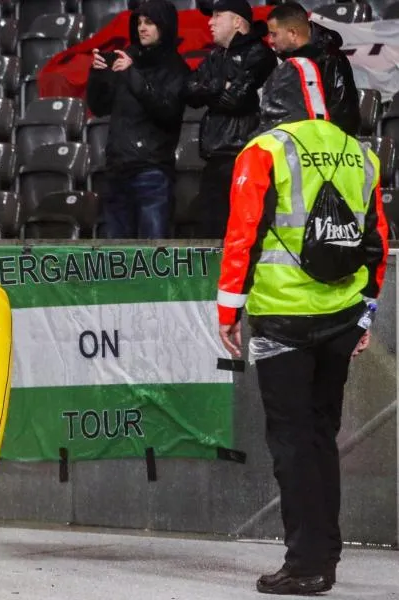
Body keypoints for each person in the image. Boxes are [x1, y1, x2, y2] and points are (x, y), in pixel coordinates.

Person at [217, 57, 388, 595]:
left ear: (273, 99)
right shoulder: (360, 153)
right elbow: (377, 245)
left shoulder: (264, 150)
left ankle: (306, 564)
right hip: (340, 318)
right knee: (319, 439)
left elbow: (241, 236)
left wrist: (228, 312)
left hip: (282, 320)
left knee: (292, 444)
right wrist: (365, 313)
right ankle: (323, 557)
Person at [85, 0, 189, 239]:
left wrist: (133, 74)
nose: (142, 28)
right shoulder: (126, 59)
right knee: (118, 259)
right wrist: (98, 74)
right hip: (117, 170)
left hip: (152, 172)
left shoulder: (176, 68)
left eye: (150, 23)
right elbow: (99, 107)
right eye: (139, 22)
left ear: (165, 26)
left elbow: (168, 111)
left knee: (153, 259)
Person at [186, 0, 277, 238]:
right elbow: (188, 92)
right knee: (210, 232)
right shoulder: (215, 56)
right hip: (215, 156)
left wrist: (210, 89)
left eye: (217, 16)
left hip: (245, 155)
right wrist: (220, 85)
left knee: (242, 233)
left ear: (237, 22)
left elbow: (235, 100)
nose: (210, 22)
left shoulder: (260, 54)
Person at [264, 2, 360, 135]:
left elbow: (342, 115)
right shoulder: (285, 61)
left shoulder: (330, 59)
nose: (270, 40)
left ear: (292, 33)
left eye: (274, 34)